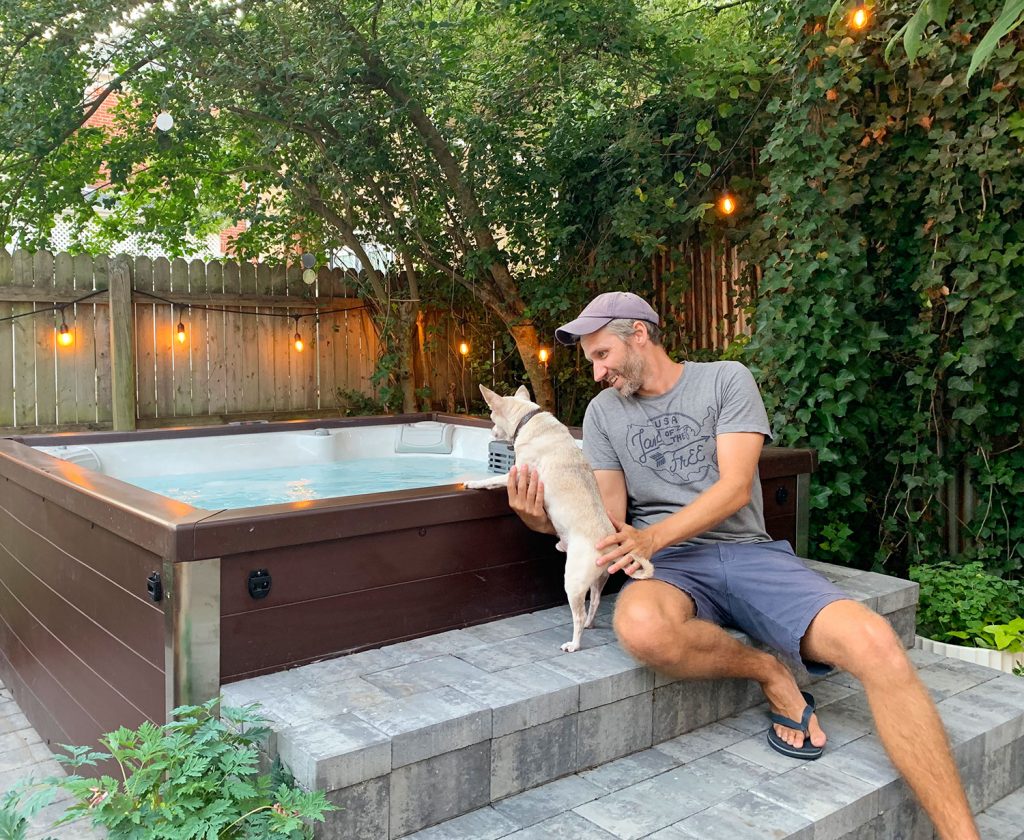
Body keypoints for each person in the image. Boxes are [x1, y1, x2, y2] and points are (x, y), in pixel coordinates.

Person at [505, 291, 978, 840]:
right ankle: (770, 671)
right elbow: (608, 521)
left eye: (602, 354)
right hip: (672, 565)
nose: (596, 371)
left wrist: (653, 536)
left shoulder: (727, 380)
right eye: (590, 359)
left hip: (747, 550)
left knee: (875, 644)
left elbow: (733, 490)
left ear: (639, 334)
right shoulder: (603, 413)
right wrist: (544, 522)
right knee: (641, 629)